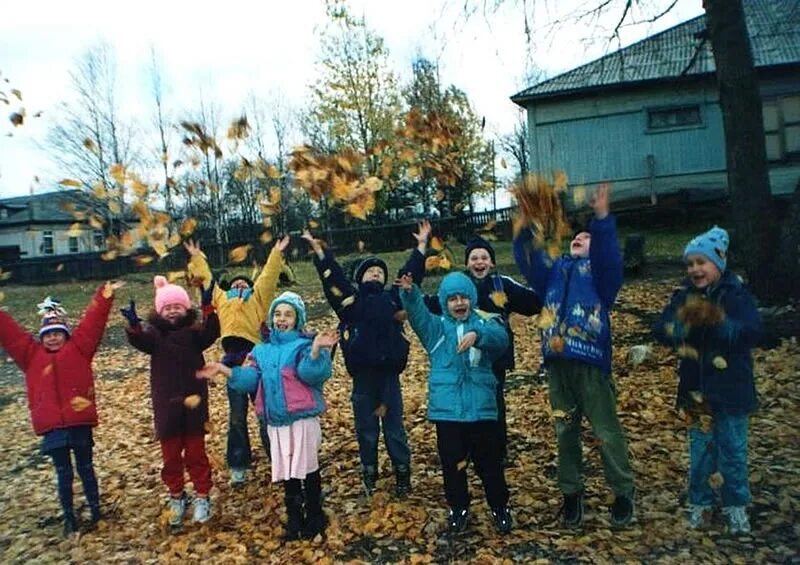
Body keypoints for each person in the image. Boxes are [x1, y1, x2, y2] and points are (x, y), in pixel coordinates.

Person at [512, 184, 635, 528]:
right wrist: (525, 226)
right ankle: (571, 495)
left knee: (605, 431)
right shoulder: (554, 271)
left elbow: (609, 256)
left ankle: (623, 492)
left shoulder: (600, 276)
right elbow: (529, 257)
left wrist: (601, 220)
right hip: (558, 366)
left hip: (591, 364)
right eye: (576, 236)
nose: (579, 238)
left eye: (586, 237)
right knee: (565, 431)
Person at [197, 292, 338, 541]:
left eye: (288, 314)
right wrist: (225, 370)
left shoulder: (305, 345)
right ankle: (294, 519)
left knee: (306, 468)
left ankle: (315, 516)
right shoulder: (260, 351)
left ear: (297, 319)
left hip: (301, 419)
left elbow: (311, 375)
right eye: (277, 314)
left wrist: (316, 350)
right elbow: (252, 379)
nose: (282, 318)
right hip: (277, 422)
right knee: (287, 471)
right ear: (271, 318)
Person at [301, 227, 425, 497]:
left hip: (389, 375)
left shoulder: (394, 298)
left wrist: (421, 248)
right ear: (360, 278)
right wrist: (321, 252)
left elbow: (411, 275)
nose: (376, 273)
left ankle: (402, 471)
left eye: (380, 271)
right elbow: (333, 279)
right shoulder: (351, 302)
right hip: (363, 377)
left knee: (394, 428)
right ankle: (369, 471)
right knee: (366, 428)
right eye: (370, 271)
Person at [653, 226, 760, 534]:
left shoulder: (735, 294)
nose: (695, 269)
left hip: (732, 389)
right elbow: (661, 328)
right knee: (701, 451)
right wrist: (680, 326)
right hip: (696, 390)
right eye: (690, 264)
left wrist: (719, 322)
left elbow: (752, 331)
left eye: (702, 262)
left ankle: (735, 505)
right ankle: (700, 502)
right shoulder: (684, 296)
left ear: (719, 264)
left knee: (732, 450)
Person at [0, 283, 122, 535]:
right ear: (41, 337)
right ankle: (69, 517)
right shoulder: (31, 356)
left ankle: (95, 509)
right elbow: (11, 334)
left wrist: (104, 295)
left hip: (79, 424)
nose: (53, 337)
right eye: (47, 334)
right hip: (53, 427)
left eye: (57, 333)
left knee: (86, 468)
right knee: (63, 473)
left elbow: (92, 323)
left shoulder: (79, 350)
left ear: (66, 334)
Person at [398, 271, 513, 535]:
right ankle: (458, 508)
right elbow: (417, 314)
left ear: (471, 299)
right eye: (452, 299)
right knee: (452, 465)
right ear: (444, 302)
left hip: (482, 409)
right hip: (448, 413)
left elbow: (501, 339)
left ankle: (500, 507)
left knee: (490, 463)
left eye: (463, 298)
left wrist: (477, 335)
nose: (459, 303)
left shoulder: (487, 321)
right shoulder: (436, 329)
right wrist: (410, 293)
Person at [415, 231, 542, 465]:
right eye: (474, 258)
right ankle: (467, 448)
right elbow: (435, 303)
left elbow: (533, 303)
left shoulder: (502, 285)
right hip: (462, 357)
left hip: (494, 358)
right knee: (465, 399)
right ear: (467, 263)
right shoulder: (458, 287)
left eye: (484, 257)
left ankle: (496, 450)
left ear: (491, 262)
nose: (479, 262)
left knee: (493, 402)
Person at [185, 236, 290, 486]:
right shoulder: (223, 299)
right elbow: (208, 280)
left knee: (265, 412)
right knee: (236, 415)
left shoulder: (258, 299)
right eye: (236, 281)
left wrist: (276, 253)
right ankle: (238, 464)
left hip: (256, 359)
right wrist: (197, 258)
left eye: (244, 281)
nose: (240, 282)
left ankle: (277, 457)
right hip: (232, 360)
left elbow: (266, 277)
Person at [121, 275, 220, 526]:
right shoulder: (154, 336)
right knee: (171, 457)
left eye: (177, 306)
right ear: (159, 311)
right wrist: (133, 325)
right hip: (167, 409)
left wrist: (208, 307)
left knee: (196, 455)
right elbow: (139, 339)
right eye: (167, 307)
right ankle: (177, 495)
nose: (173, 311)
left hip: (194, 407)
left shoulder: (194, 334)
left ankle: (202, 495)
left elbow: (212, 332)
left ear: (185, 309)